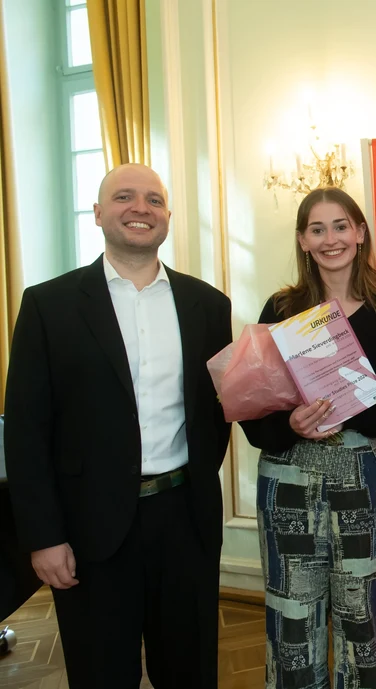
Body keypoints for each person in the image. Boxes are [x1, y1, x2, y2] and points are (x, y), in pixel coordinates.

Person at [3, 164, 232, 689]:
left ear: (167, 215)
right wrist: (43, 537)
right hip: (88, 528)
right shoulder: (48, 305)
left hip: (185, 521)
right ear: (98, 213)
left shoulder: (208, 305)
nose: (140, 208)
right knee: (101, 673)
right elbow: (26, 431)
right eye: (124, 197)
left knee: (190, 671)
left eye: (154, 199)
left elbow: (215, 411)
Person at [240, 186, 376, 689]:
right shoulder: (282, 308)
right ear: (303, 240)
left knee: (361, 619)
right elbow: (252, 404)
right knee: (292, 620)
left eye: (341, 226)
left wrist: (353, 411)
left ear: (360, 232)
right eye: (317, 229)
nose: (331, 239)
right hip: (288, 481)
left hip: (361, 481)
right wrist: (290, 424)